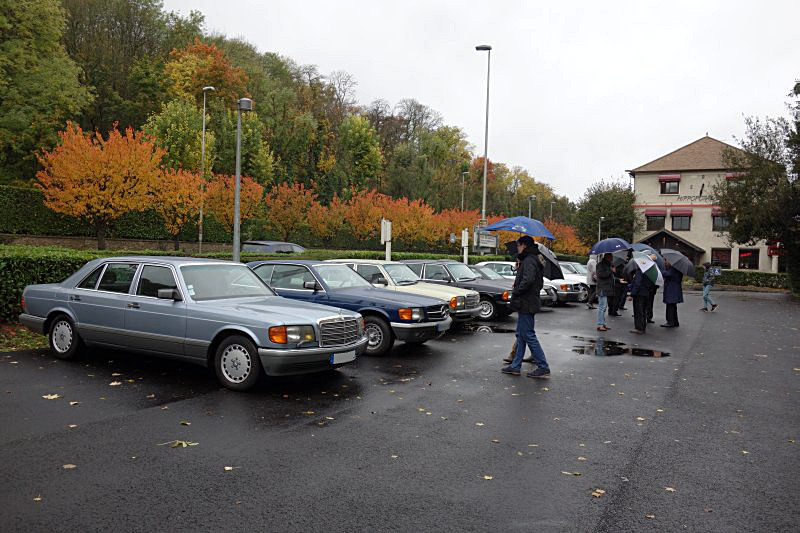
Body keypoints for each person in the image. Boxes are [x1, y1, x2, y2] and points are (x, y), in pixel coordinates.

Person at [502, 236, 550, 378]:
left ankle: (543, 366)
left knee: (528, 334)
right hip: (528, 302)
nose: (517, 248)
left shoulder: (529, 260)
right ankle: (515, 366)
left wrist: (517, 290)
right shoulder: (532, 259)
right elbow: (535, 282)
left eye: (518, 245)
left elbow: (528, 280)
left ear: (523, 245)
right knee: (522, 335)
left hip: (526, 302)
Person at [629, 266, 656, 334]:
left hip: (639, 294)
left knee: (638, 311)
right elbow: (652, 284)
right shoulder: (649, 272)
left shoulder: (639, 271)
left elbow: (637, 283)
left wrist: (632, 294)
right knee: (643, 311)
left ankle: (639, 328)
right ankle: (643, 327)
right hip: (646, 293)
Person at [595, 253, 614, 332]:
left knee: (603, 307)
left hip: (606, 288)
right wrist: (610, 270)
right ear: (608, 257)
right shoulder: (600, 265)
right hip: (603, 288)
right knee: (602, 307)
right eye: (611, 257)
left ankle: (602, 323)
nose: (612, 258)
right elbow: (601, 275)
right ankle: (600, 324)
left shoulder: (607, 265)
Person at [661, 261, 684, 327]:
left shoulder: (673, 268)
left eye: (666, 261)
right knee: (673, 306)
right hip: (675, 289)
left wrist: (661, 271)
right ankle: (675, 322)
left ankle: (670, 322)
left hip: (671, 290)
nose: (665, 262)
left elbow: (668, 274)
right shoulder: (678, 268)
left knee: (670, 307)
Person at [645, 254, 659, 324]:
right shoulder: (652, 266)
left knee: (649, 303)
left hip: (651, 288)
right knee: (648, 303)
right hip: (648, 288)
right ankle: (648, 317)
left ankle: (648, 317)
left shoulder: (654, 266)